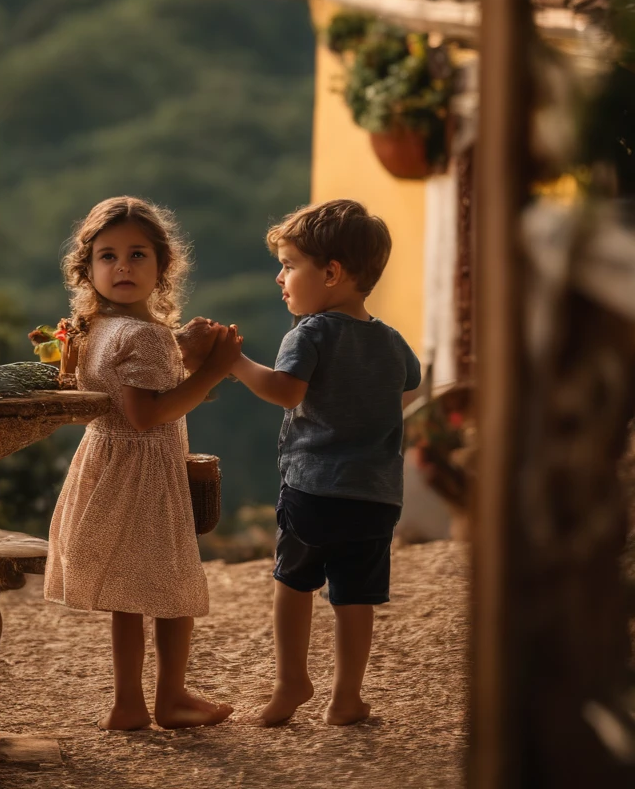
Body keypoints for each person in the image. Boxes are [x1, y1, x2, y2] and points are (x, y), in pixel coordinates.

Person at [44, 195, 242, 731]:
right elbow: (145, 415)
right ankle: (171, 698)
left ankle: (128, 703)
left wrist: (180, 348)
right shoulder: (145, 334)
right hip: (144, 474)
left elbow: (133, 378)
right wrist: (214, 370)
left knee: (127, 594)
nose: (123, 267)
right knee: (173, 587)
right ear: (88, 269)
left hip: (106, 468)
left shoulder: (96, 328)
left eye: (137, 255)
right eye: (108, 257)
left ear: (162, 267)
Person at [229, 199, 420, 727]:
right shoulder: (391, 340)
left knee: (294, 582)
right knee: (356, 594)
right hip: (376, 494)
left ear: (331, 273)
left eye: (289, 265)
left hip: (313, 487)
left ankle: (292, 682)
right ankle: (346, 697)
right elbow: (410, 383)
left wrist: (235, 363)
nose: (279, 277)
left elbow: (286, 391)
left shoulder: (311, 333)